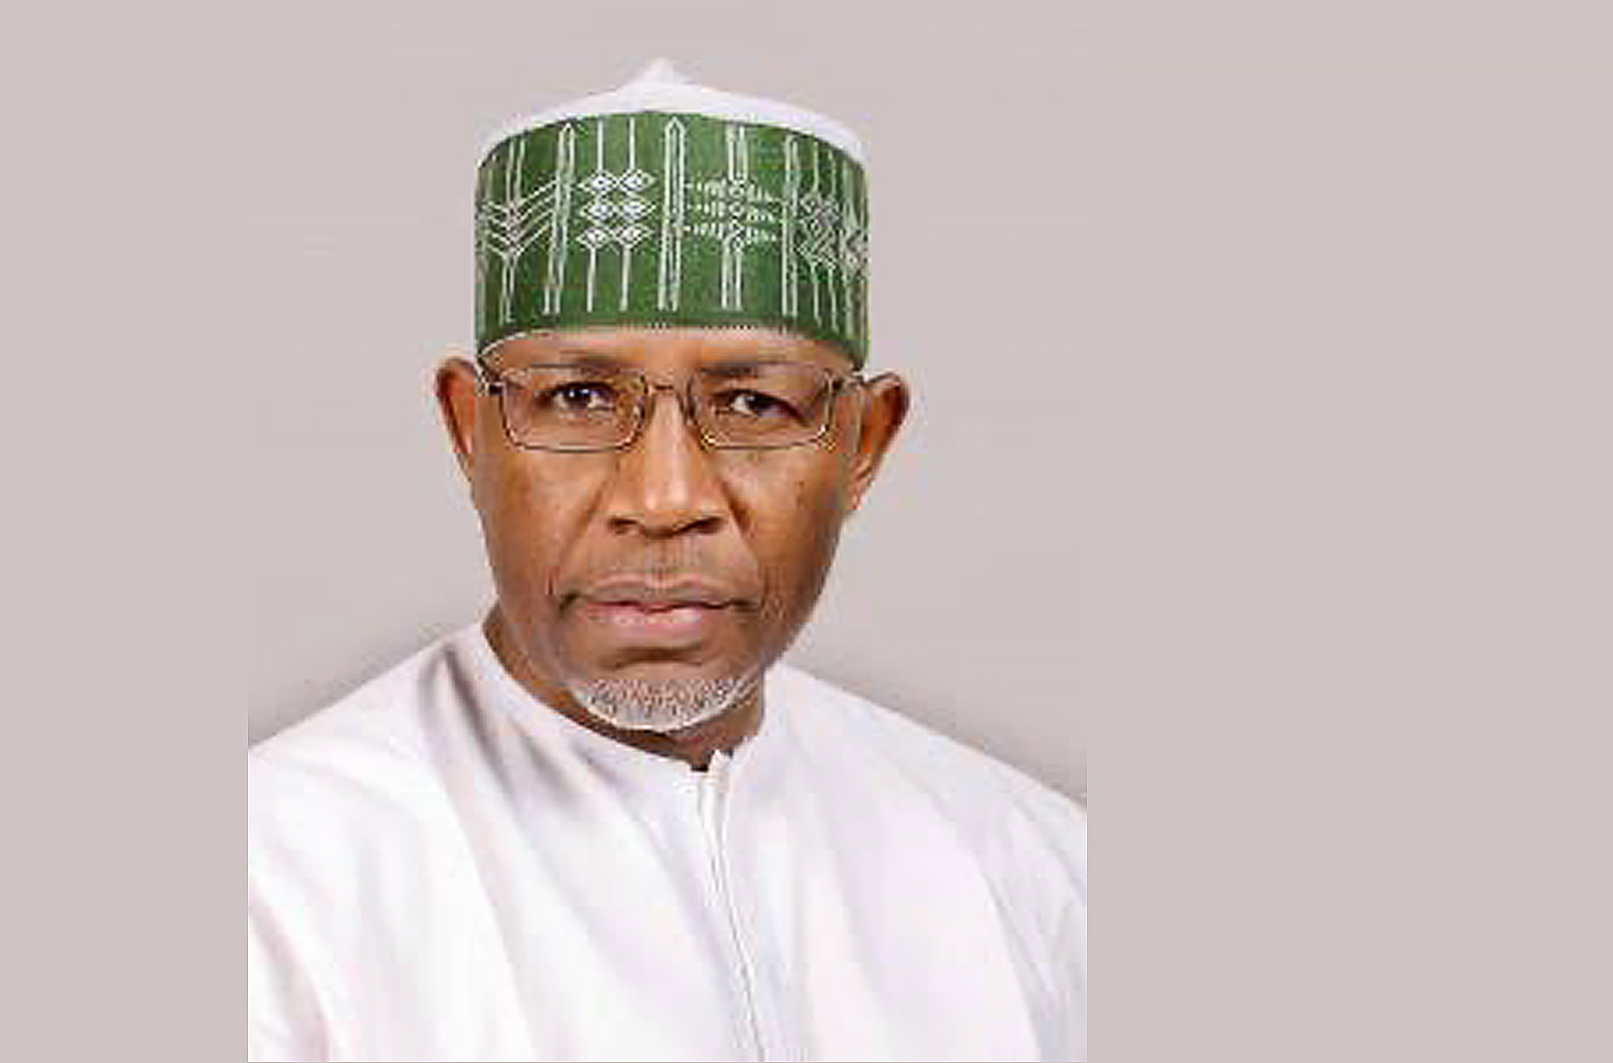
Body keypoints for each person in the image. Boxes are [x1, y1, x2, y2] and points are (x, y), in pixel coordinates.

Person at [249, 60, 1087, 1061]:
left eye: (754, 403)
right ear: (471, 431)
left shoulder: (1036, 873)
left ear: (863, 444)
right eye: (577, 398)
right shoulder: (274, 886)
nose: (663, 499)